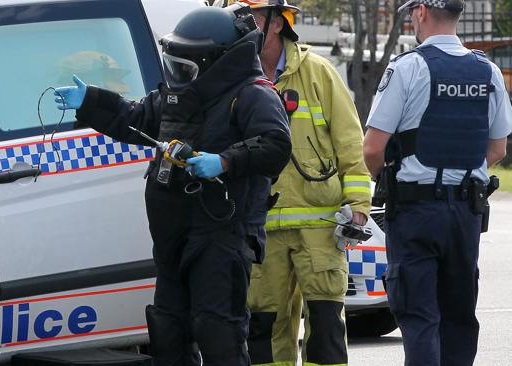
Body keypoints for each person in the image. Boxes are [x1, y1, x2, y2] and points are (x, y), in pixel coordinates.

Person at [54, 4, 292, 366]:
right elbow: (133, 118)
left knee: (218, 333)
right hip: (173, 234)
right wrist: (91, 101)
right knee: (168, 332)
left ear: (214, 62)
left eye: (185, 67)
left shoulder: (253, 94)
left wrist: (225, 161)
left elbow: (275, 144)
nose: (177, 74)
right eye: (174, 65)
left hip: (221, 235)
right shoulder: (178, 97)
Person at [213, 1, 373, 365]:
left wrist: (359, 208)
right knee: (263, 331)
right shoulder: (234, 79)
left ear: (274, 23)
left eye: (246, 19)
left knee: (326, 328)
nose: (238, 27)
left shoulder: (318, 72)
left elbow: (350, 142)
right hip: (261, 228)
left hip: (319, 229)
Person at [363, 1, 512, 365]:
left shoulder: (407, 68)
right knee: (458, 318)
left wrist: (389, 177)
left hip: (416, 213)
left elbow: (372, 149)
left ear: (422, 12)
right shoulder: (488, 71)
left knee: (419, 317)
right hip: (465, 214)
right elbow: (497, 148)